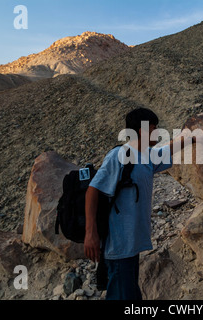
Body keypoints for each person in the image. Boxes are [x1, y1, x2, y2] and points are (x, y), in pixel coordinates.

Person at [84, 107, 196, 300]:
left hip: (131, 245)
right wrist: (90, 233)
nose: (158, 132)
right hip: (118, 247)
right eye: (154, 128)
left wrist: (190, 139)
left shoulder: (146, 157)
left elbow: (165, 150)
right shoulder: (119, 156)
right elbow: (93, 190)